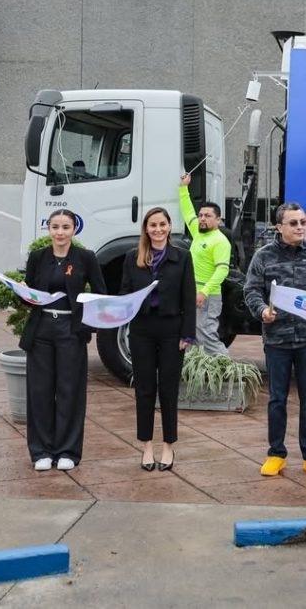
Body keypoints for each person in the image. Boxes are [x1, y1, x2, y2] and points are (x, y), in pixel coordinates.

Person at [243, 202, 306, 479]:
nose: (299, 227)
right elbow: (251, 291)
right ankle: (276, 454)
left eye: (303, 222)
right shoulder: (264, 256)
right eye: (293, 223)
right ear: (279, 227)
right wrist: (262, 311)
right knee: (277, 400)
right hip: (277, 340)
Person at [19, 209, 106, 471]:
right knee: (40, 391)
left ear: (74, 229)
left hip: (70, 330)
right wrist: (23, 293)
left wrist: (85, 322)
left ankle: (68, 450)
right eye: (55, 227)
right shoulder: (38, 257)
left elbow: (99, 294)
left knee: (70, 391)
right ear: (48, 229)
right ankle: (41, 451)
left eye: (65, 227)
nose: (60, 232)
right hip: (41, 330)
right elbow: (29, 292)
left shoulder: (85, 258)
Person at [122, 207, 196, 472]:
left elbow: (189, 297)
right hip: (141, 329)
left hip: (171, 331)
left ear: (169, 226)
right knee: (144, 389)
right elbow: (126, 294)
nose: (157, 229)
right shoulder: (133, 258)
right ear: (146, 228)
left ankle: (168, 446)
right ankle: (147, 446)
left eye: (162, 224)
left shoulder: (182, 258)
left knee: (168, 389)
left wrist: (187, 333)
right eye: (152, 225)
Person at [179, 173, 230, 355]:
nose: (202, 218)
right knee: (192, 335)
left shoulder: (220, 241)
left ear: (218, 220)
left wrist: (204, 292)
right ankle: (194, 373)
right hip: (194, 293)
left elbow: (222, 270)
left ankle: (229, 369)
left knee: (206, 335)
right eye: (201, 215)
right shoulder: (198, 232)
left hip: (207, 296)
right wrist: (184, 188)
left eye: (207, 216)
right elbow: (187, 212)